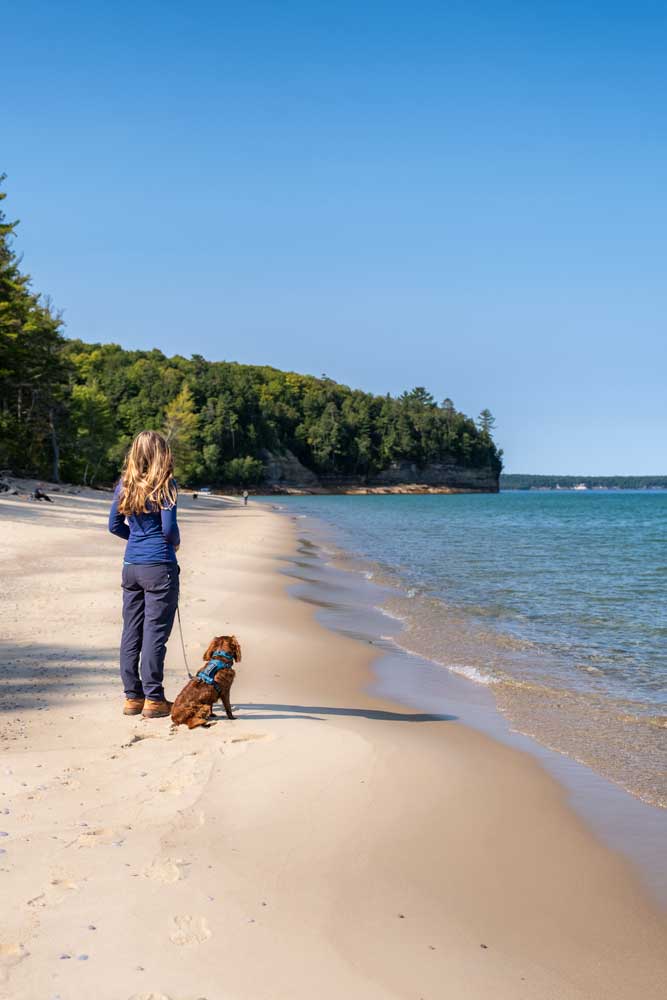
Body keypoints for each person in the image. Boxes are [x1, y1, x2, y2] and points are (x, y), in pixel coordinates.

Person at [108, 430, 180, 719]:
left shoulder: (124, 485)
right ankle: (153, 698)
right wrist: (173, 544)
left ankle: (132, 697)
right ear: (162, 453)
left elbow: (114, 525)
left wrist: (137, 541)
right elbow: (168, 530)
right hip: (159, 566)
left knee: (131, 630)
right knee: (155, 633)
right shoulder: (166, 486)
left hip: (131, 567)